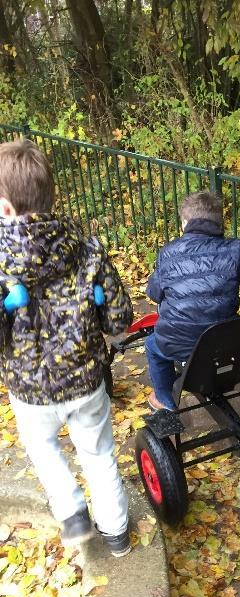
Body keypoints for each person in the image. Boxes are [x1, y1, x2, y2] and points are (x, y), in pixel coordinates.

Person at [0, 139, 133, 556]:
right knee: (99, 453)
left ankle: (73, 512)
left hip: (30, 391)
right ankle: (116, 533)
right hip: (86, 382)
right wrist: (98, 303)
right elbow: (120, 320)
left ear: (5, 209)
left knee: (42, 448)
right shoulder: (88, 251)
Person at [145, 190, 240, 410]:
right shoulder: (236, 249)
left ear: (185, 222)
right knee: (214, 339)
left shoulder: (168, 252)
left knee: (152, 346)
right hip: (225, 341)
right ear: (219, 222)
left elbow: (154, 293)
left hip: (178, 342)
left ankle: (164, 399)